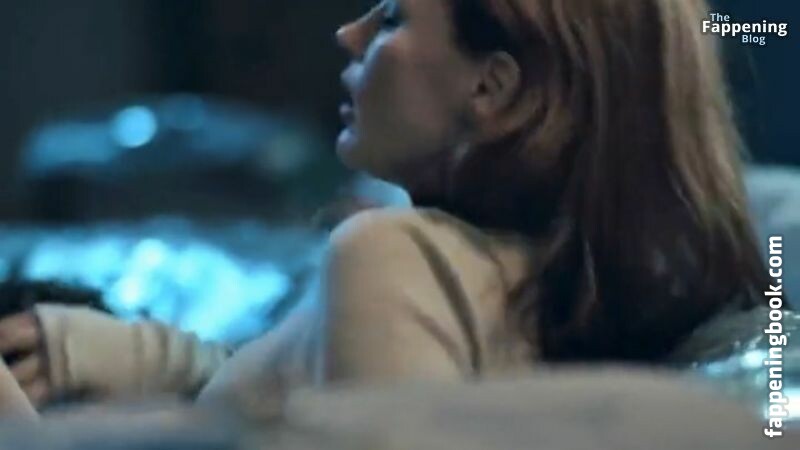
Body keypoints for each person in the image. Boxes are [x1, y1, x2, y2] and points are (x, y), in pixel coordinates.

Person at [0, 0, 775, 421]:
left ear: (492, 87)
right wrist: (148, 356)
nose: (350, 33)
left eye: (394, 18)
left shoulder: (390, 255)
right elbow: (318, 394)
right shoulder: (535, 287)